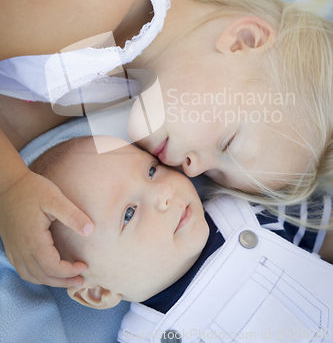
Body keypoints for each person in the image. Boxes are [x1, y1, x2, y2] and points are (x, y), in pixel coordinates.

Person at [0, 0, 332, 289]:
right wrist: (10, 188)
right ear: (242, 40)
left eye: (214, 173)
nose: (193, 171)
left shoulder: (119, 90)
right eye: (227, 141)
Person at [29, 134, 333, 343]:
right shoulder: (140, 336)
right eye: (129, 214)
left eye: (151, 171)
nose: (164, 192)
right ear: (98, 293)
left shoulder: (248, 213)